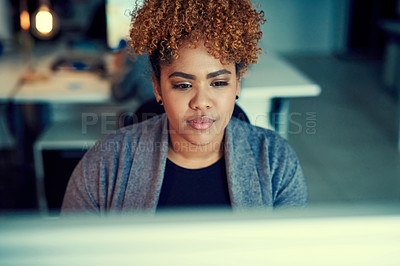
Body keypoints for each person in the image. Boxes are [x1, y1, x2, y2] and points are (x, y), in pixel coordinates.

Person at [61, 0, 308, 214]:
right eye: (183, 85)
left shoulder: (276, 161)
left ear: (237, 85)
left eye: (219, 82)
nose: (201, 101)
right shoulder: (105, 162)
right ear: (157, 88)